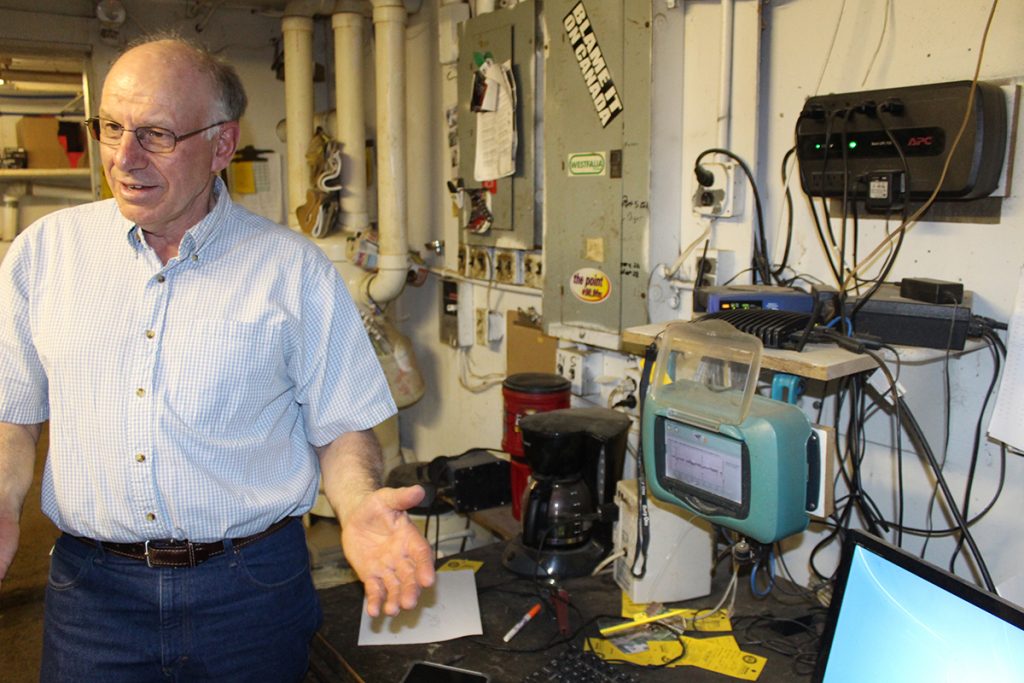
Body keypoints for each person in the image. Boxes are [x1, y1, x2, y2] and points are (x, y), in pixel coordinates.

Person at [0, 36, 435, 681]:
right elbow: (13, 415)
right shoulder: (45, 254)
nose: (124, 158)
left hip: (251, 591)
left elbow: (343, 427)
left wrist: (359, 503)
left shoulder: (292, 271)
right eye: (111, 127)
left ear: (222, 146)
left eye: (155, 134)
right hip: (93, 596)